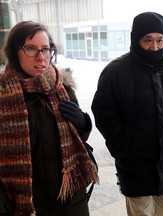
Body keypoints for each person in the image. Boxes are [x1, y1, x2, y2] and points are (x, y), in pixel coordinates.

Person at [91, 11, 163, 216]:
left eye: (159, 40)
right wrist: (122, 147)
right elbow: (103, 111)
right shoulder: (116, 71)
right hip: (135, 166)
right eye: (148, 40)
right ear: (136, 40)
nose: (154, 47)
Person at [0, 21, 98, 216]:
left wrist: (83, 123)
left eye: (45, 49)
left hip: (71, 202)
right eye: (30, 49)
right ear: (13, 51)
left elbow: (78, 140)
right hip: (28, 205)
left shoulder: (63, 89)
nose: (40, 57)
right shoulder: (3, 97)